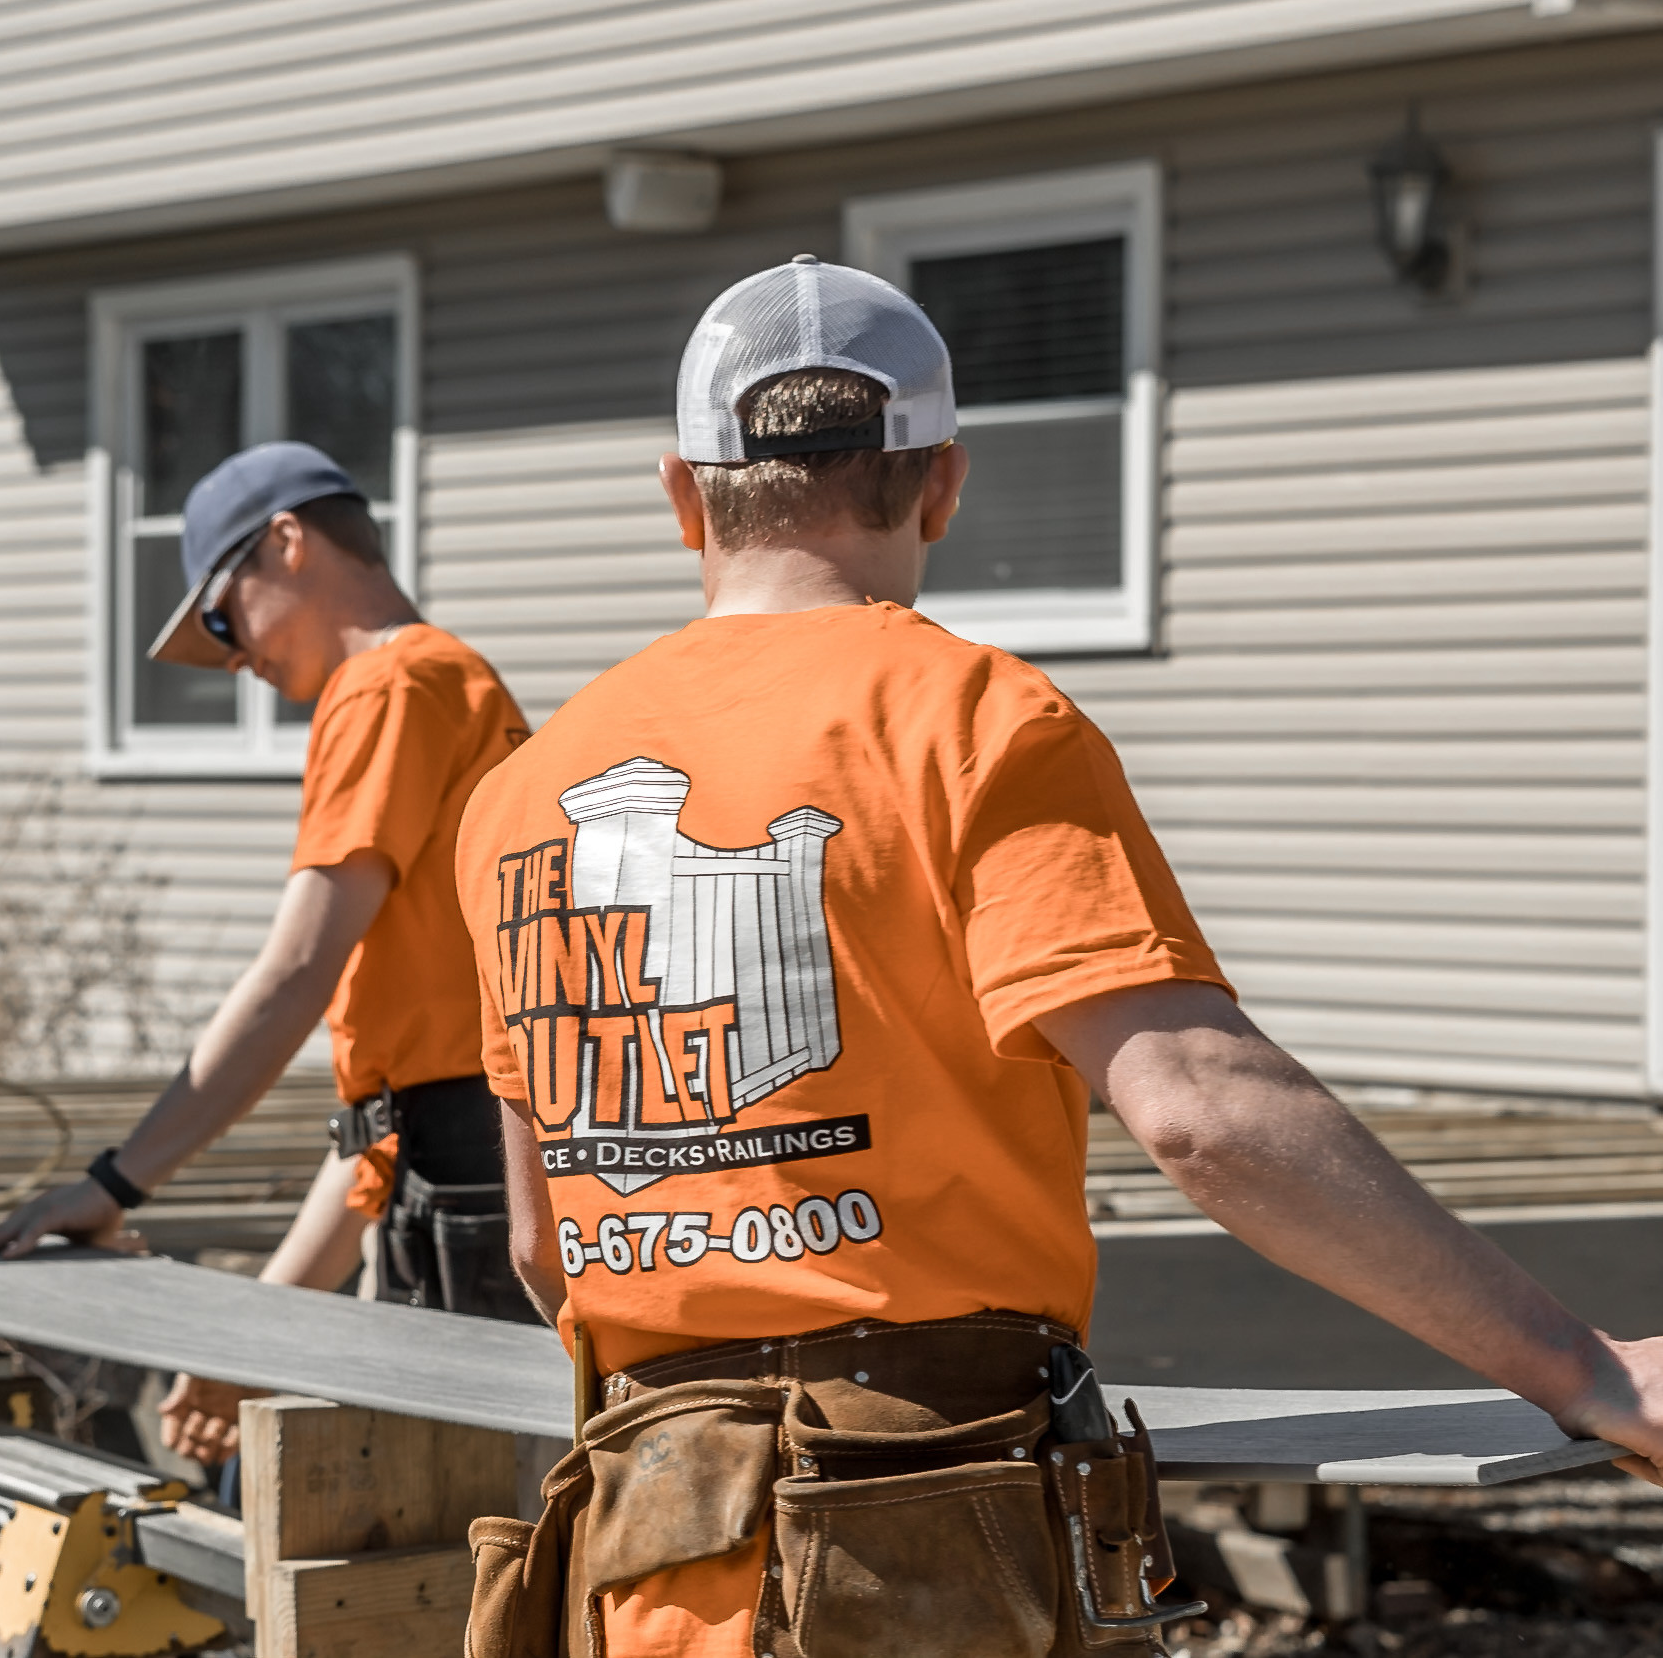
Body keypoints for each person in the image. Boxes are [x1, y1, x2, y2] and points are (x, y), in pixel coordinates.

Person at [450, 257, 1663, 1658]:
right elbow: (1199, 1109)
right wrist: (1580, 1365)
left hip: (640, 1555)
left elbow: (540, 1241)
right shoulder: (973, 719)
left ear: (682, 495)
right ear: (943, 484)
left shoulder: (523, 792)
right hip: (922, 1545)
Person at [0, 440, 532, 1469]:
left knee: (469, 1538)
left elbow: (295, 972)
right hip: (466, 1178)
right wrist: (254, 1341)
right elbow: (394, 1127)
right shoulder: (449, 683)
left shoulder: (389, 684)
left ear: (288, 542)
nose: (235, 661)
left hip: (468, 1197)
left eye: (222, 619)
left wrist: (115, 1183)